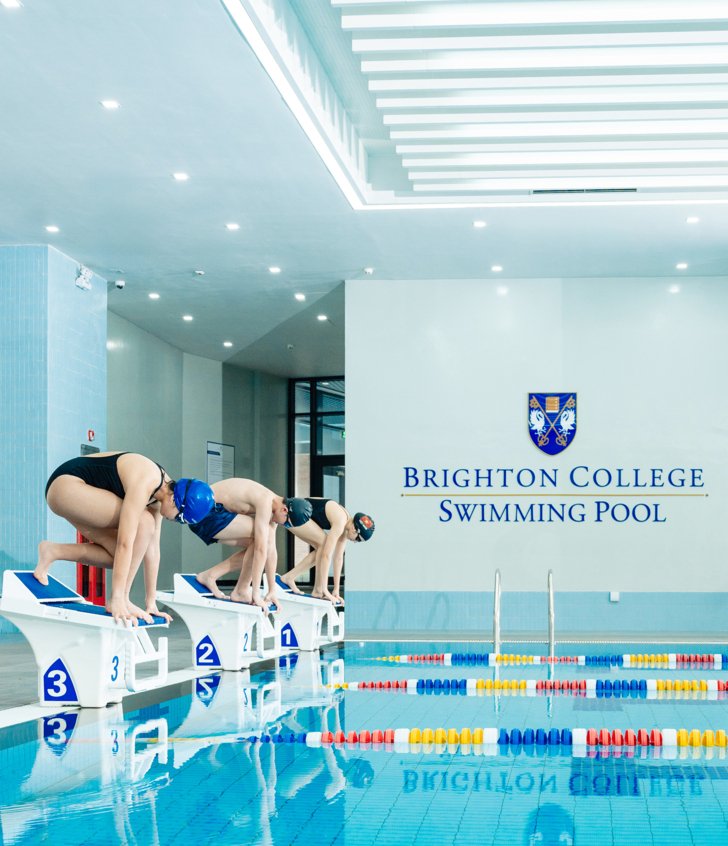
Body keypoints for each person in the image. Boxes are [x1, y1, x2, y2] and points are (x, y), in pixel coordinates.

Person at [36, 451, 214, 624]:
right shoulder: (147, 480)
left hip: (75, 494)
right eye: (179, 518)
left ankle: (53, 551)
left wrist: (151, 603)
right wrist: (118, 598)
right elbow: (125, 542)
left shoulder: (162, 495)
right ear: (175, 501)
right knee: (143, 524)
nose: (175, 521)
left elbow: (152, 551)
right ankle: (120, 598)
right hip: (65, 486)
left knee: (119, 558)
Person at [189, 478, 312, 611]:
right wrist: (256, 595)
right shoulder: (265, 501)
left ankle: (210, 576)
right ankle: (242, 590)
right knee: (261, 541)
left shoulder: (273, 507)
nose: (284, 525)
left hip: (209, 515)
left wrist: (272, 590)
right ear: (284, 510)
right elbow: (261, 550)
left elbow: (271, 551)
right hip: (203, 512)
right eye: (287, 523)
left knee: (264, 540)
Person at [280, 499, 374, 605]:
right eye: (358, 539)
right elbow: (326, 555)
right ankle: (318, 589)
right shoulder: (341, 520)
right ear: (354, 529)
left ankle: (311, 588)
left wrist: (336, 590)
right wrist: (326, 589)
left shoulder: (345, 525)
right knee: (324, 544)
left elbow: (338, 558)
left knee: (323, 544)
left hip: (299, 513)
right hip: (292, 511)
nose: (355, 542)